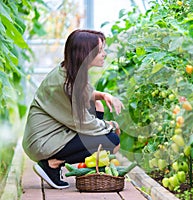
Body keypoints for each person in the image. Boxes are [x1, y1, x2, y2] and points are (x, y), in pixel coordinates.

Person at [22, 29, 124, 189]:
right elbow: (84, 123)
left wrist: (103, 95)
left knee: (96, 104)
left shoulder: (69, 72)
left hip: (50, 135)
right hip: (42, 143)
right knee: (112, 141)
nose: (104, 54)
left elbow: (86, 94)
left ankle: (55, 163)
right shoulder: (68, 84)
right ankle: (52, 164)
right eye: (99, 51)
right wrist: (110, 126)